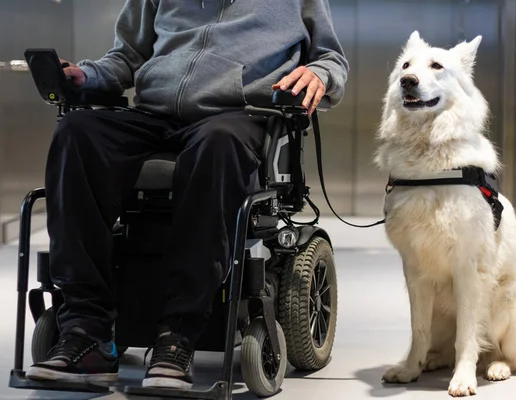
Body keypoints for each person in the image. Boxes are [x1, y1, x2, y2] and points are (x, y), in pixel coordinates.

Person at [25, 0, 348, 390]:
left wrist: (320, 74)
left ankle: (177, 337)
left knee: (216, 143)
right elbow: (126, 57)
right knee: (77, 133)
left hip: (236, 116)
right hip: (154, 114)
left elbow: (331, 59)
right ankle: (86, 331)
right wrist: (86, 76)